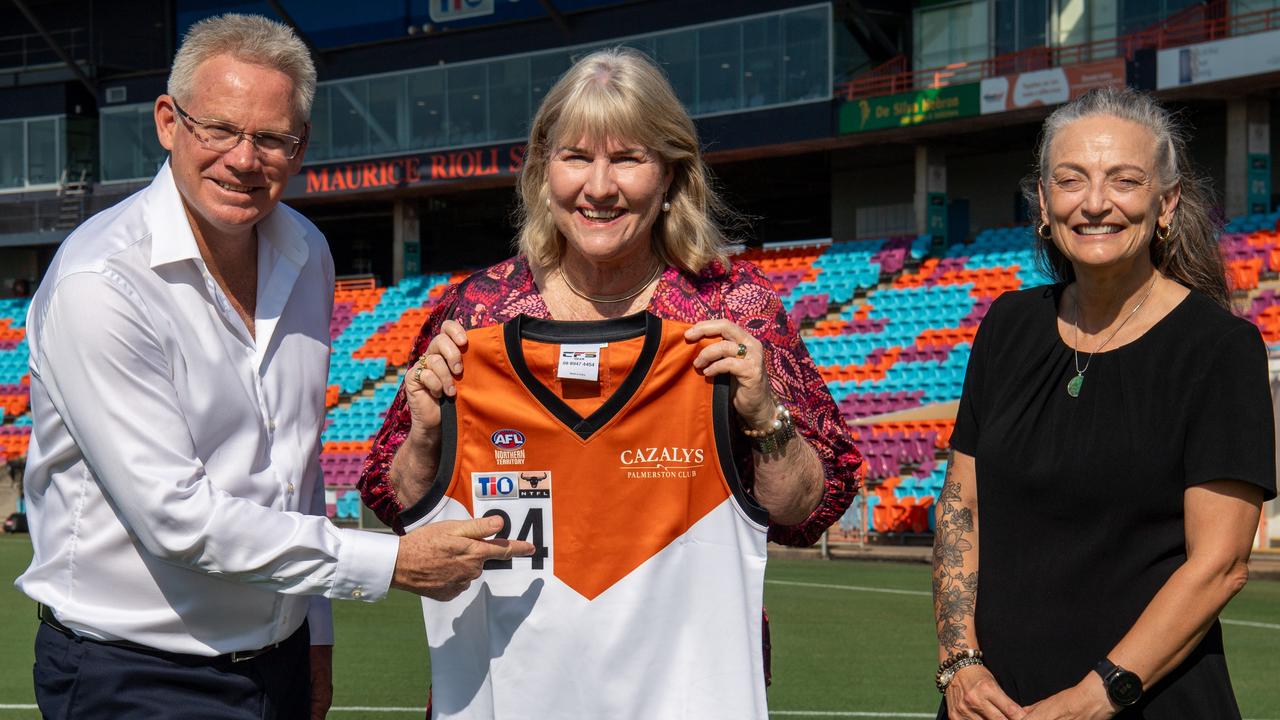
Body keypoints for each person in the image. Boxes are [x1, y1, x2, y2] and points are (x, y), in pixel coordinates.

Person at [17, 14, 530, 720]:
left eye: (270, 138)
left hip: (279, 662)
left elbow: (299, 468)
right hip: (135, 675)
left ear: (301, 148)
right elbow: (176, 518)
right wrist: (389, 563)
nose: (243, 158)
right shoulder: (100, 283)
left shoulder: (307, 253)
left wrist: (313, 634)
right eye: (219, 129)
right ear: (169, 122)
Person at [358, 48, 862, 717]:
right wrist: (426, 435)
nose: (600, 187)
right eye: (576, 157)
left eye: (627, 158)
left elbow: (807, 510)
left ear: (671, 176)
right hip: (506, 684)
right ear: (543, 172)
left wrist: (765, 415)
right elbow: (397, 507)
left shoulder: (736, 311)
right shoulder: (476, 313)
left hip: (684, 684)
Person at [932, 87, 1276, 720]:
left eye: (1124, 180)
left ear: (1165, 202)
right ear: (1043, 199)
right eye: (1071, 180)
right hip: (992, 705)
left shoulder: (1220, 348)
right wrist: (960, 662)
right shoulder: (1006, 324)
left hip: (1145, 703)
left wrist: (1095, 697)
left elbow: (1221, 564)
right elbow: (961, 508)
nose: (1095, 203)